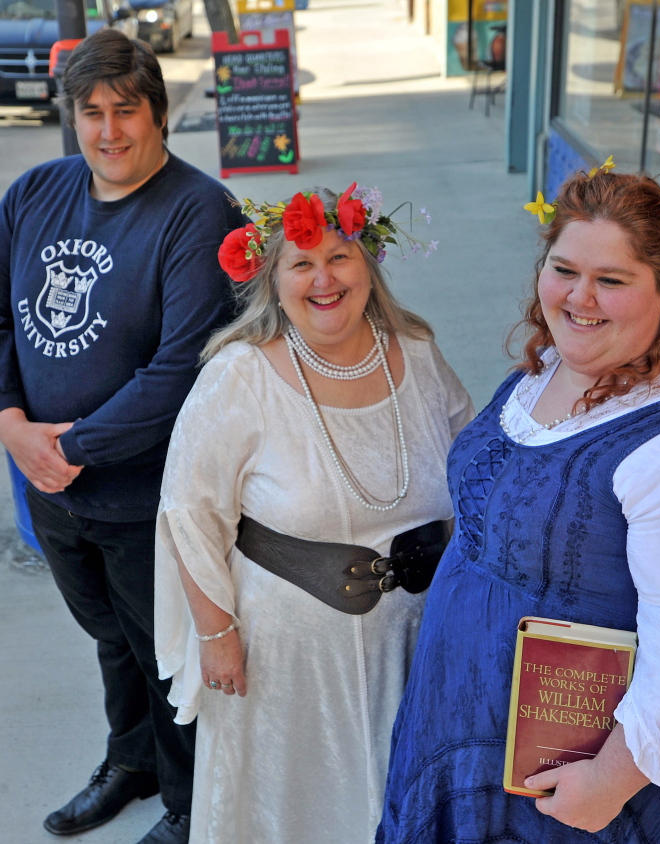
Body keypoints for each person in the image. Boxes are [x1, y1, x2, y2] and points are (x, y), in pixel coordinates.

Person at [377, 166, 660, 844]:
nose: (579, 297)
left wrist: (606, 783)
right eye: (563, 269)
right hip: (470, 747)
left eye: (611, 279)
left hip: (592, 799)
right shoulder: (546, 373)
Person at [0, 28, 244, 844]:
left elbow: (182, 367)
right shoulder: (33, 195)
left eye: (127, 110)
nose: (109, 130)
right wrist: (12, 427)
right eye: (93, 112)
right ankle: (132, 762)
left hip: (146, 492)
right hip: (50, 487)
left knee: (166, 651)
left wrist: (66, 450)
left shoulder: (196, 210)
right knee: (109, 638)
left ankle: (194, 802)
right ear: (73, 118)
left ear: (157, 113)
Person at [154, 183, 474, 844]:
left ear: (369, 268)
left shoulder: (414, 354)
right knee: (293, 809)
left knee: (397, 797)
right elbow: (190, 512)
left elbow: (470, 468)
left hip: (414, 644)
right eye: (301, 263)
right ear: (273, 280)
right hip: (287, 664)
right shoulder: (239, 377)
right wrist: (216, 635)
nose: (323, 279)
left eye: (340, 257)